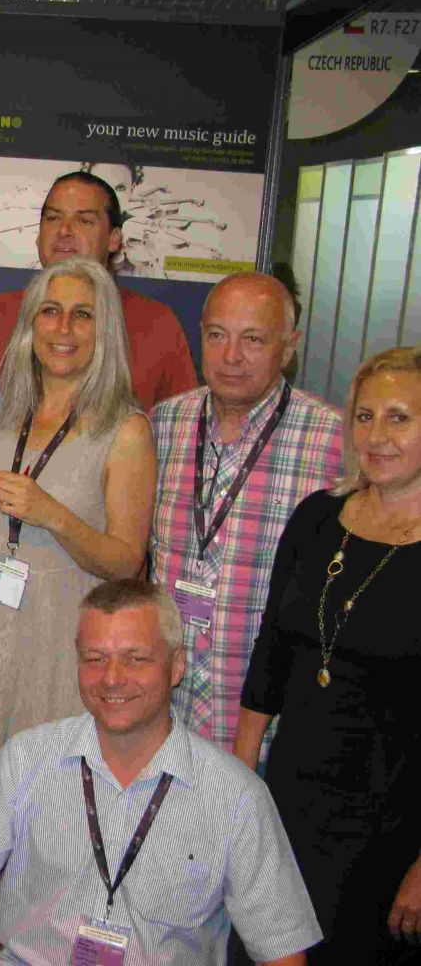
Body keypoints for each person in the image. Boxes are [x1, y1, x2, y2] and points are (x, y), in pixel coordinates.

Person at [0, 579, 321, 966]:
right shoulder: (25, 761)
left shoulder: (236, 798)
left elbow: (281, 951)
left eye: (135, 659)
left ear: (177, 666)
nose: (111, 678)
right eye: (95, 659)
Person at [0, 255, 156, 956]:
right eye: (50, 312)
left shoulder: (123, 429)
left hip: (55, 663)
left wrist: (53, 513)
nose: (63, 328)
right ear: (29, 324)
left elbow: (125, 560)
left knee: (47, 853)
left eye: (82, 315)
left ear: (104, 330)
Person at [236, 347, 421, 963]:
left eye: (399, 418)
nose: (377, 435)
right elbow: (271, 655)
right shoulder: (317, 519)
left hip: (392, 823)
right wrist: (241, 785)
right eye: (364, 416)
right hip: (290, 800)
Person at [152, 272, 341, 755]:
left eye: (253, 339)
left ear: (289, 347)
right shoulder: (163, 424)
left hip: (265, 725)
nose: (231, 356)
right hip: (163, 712)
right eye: (217, 335)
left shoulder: (334, 442)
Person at [0, 171, 197, 411]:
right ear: (38, 235)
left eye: (84, 220)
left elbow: (183, 426)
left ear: (114, 239)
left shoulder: (157, 325)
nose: (64, 230)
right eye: (53, 218)